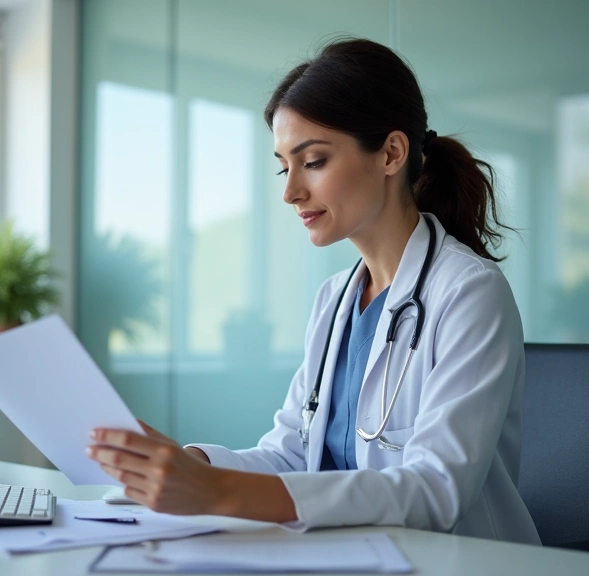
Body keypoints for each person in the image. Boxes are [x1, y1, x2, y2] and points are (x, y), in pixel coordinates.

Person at [86, 37, 541, 545]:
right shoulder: (336, 298)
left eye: (314, 161)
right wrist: (194, 465)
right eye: (285, 165)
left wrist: (219, 493)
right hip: (351, 553)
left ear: (391, 153)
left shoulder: (470, 293)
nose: (290, 191)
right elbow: (292, 455)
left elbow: (435, 490)